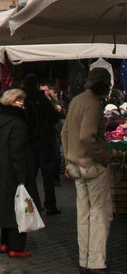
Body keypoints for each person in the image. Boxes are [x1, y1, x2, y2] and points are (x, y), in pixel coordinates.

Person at [62, 67, 113, 273]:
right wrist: (102, 157)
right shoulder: (93, 104)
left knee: (83, 213)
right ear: (102, 85)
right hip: (91, 165)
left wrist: (68, 158)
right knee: (99, 213)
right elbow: (86, 136)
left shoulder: (76, 100)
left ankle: (84, 259)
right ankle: (96, 262)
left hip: (75, 165)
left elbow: (65, 132)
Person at [0, 88, 36, 259]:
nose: (23, 106)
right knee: (18, 208)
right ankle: (16, 247)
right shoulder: (17, 123)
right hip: (11, 171)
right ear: (11, 103)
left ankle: (4, 242)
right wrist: (22, 177)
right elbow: (17, 152)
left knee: (4, 206)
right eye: (20, 103)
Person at [23, 72, 61, 215]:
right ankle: (50, 205)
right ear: (37, 85)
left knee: (29, 176)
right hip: (44, 141)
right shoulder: (42, 99)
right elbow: (54, 118)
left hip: (28, 142)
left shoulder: (22, 99)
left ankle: (31, 205)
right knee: (48, 176)